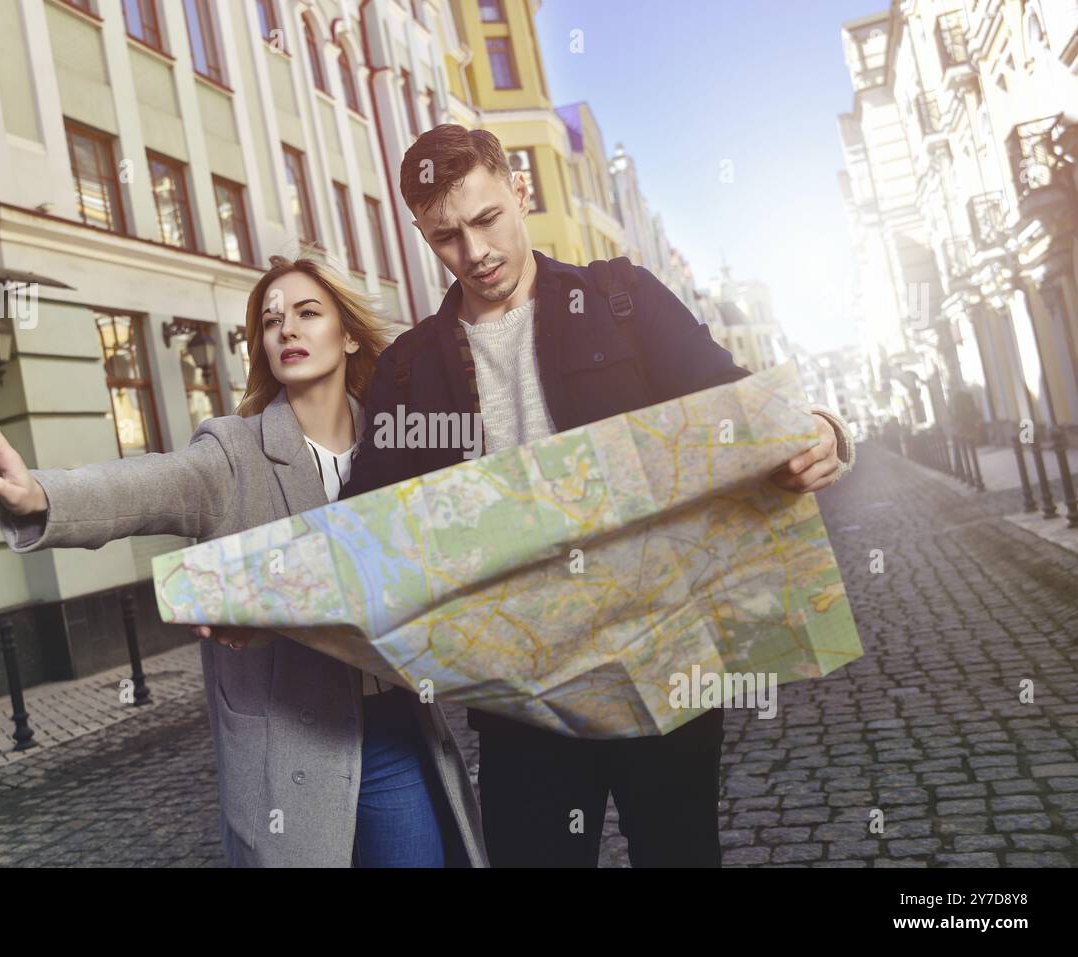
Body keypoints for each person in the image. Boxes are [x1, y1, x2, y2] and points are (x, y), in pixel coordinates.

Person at [339, 125, 857, 867]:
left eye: (487, 220)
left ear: (520, 192)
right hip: (521, 693)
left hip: (661, 667)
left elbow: (736, 409)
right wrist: (245, 599)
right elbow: (361, 523)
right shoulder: (407, 368)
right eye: (447, 235)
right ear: (421, 231)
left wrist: (826, 431)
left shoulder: (624, 299)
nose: (475, 251)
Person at [0, 254, 487, 868]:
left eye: (308, 313)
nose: (287, 329)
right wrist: (40, 492)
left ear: (350, 333)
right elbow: (148, 485)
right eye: (271, 319)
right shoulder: (234, 451)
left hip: (394, 733)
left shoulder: (395, 442)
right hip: (292, 748)